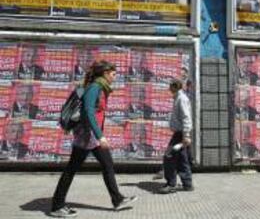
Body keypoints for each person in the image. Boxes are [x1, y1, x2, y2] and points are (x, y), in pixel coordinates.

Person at [50, 61, 137, 218]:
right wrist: (100, 136)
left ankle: (117, 199)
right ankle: (57, 205)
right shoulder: (94, 88)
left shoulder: (100, 88)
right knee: (72, 169)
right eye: (113, 74)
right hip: (87, 136)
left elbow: (96, 113)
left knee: (107, 164)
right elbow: (89, 112)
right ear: (104, 74)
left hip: (90, 135)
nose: (115, 77)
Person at [158, 79, 193, 194]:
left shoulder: (181, 99)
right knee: (182, 159)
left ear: (174, 87)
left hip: (180, 134)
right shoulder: (178, 98)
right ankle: (187, 184)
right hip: (180, 133)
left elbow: (186, 117)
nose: (169, 89)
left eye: (170, 87)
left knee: (169, 156)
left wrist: (186, 135)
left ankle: (171, 184)